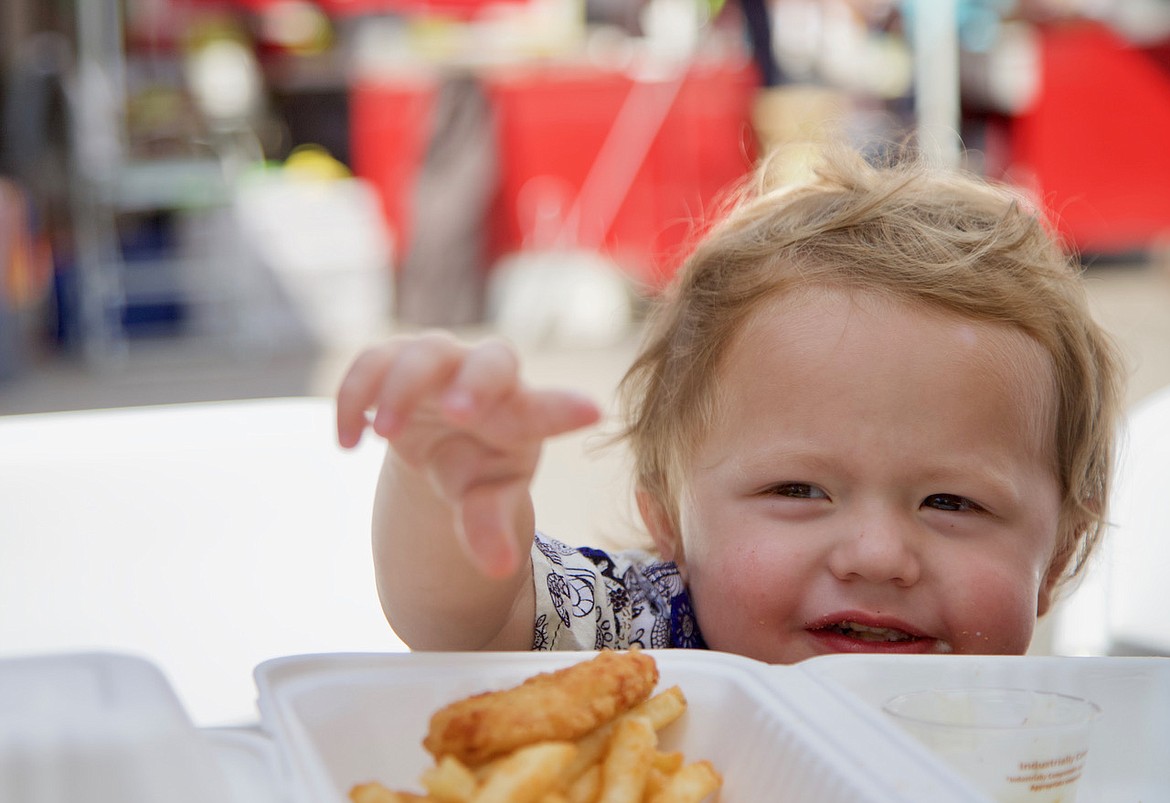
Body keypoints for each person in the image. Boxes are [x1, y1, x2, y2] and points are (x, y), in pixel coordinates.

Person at [335, 145, 1125, 663]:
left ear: (1060, 550)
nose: (878, 554)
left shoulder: (1043, 734)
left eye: (952, 502)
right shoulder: (644, 638)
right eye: (797, 490)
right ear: (669, 516)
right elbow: (464, 620)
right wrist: (448, 482)